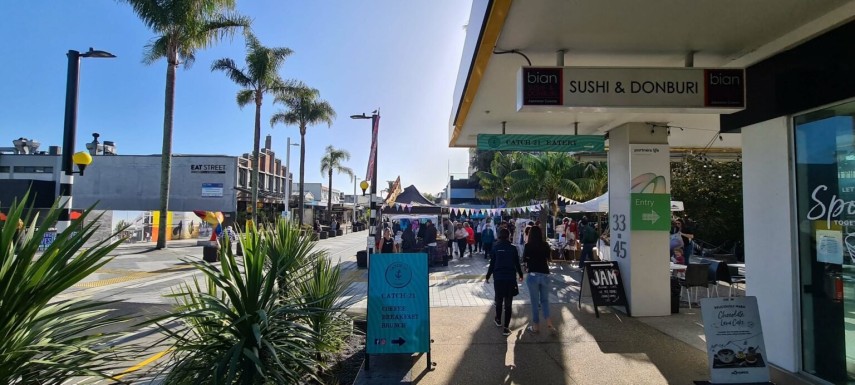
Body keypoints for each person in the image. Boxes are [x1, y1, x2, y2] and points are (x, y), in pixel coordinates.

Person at [485, 228, 524, 336]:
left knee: (498, 299)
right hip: (510, 278)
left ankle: (498, 319)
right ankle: (506, 328)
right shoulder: (513, 248)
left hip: (498, 278)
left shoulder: (495, 247)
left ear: (499, 236)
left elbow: (492, 264)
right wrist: (521, 275)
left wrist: (487, 276)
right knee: (508, 303)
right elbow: (517, 263)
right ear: (509, 236)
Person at [523, 225, 554, 333]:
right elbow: (548, 258)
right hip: (545, 274)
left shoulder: (528, 245)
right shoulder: (545, 244)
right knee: (545, 301)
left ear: (530, 234)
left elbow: (524, 260)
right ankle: (549, 323)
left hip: (533, 275)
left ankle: (536, 326)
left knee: (535, 302)